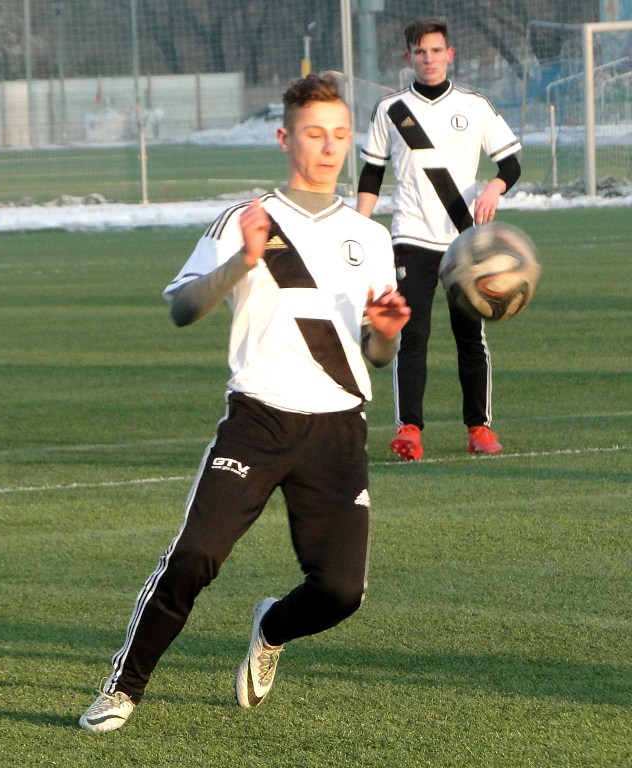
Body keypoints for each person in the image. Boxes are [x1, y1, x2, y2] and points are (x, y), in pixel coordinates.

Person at [78, 74, 411, 733]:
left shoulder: (369, 237)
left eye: (340, 135)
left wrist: (387, 333)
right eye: (314, 134)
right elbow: (182, 307)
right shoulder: (245, 220)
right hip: (258, 421)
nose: (329, 148)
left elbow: (377, 356)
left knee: (341, 592)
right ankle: (124, 687)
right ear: (285, 137)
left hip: (338, 429)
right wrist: (245, 261)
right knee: (195, 557)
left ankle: (271, 628)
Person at [356, 16, 522, 461]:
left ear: (450, 55)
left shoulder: (474, 105)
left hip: (464, 242)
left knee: (470, 337)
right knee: (412, 335)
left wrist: (494, 188)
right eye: (420, 52)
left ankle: (479, 428)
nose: (428, 59)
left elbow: (511, 164)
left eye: (435, 51)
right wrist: (356, 230)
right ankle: (409, 429)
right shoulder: (391, 110)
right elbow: (371, 173)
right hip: (410, 238)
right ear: (408, 57)